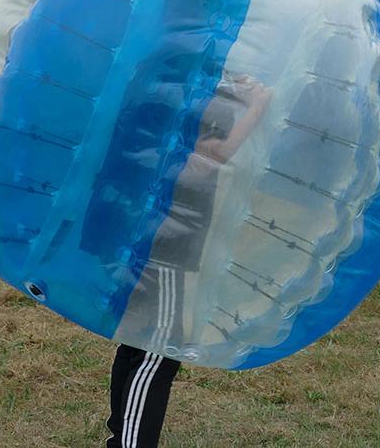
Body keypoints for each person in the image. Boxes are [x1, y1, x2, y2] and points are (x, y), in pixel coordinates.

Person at [107, 74, 271, 448]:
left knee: (137, 341)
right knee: (159, 351)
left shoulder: (174, 76)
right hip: (165, 250)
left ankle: (121, 434)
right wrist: (254, 109)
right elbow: (207, 156)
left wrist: (233, 89)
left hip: (149, 239)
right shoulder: (184, 106)